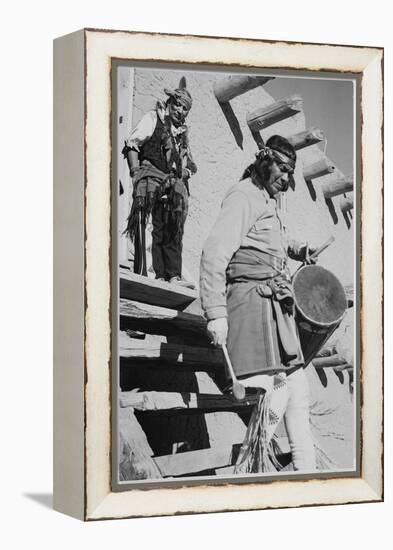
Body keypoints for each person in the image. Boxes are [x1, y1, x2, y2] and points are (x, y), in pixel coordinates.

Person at [200, 135, 317, 472]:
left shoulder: (268, 200)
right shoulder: (243, 195)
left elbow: (268, 240)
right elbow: (215, 252)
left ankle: (305, 471)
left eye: (291, 172)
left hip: (272, 305)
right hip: (251, 302)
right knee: (280, 386)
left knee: (298, 389)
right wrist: (215, 313)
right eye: (283, 168)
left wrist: (297, 250)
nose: (287, 178)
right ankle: (249, 466)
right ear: (265, 160)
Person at [123, 85, 197, 288]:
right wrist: (135, 172)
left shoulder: (182, 134)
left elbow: (190, 164)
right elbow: (132, 144)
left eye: (185, 109)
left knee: (171, 229)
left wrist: (185, 173)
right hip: (150, 177)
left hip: (172, 185)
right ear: (170, 102)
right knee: (146, 226)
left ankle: (172, 276)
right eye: (179, 106)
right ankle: (149, 276)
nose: (180, 111)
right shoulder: (153, 118)